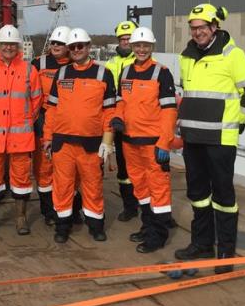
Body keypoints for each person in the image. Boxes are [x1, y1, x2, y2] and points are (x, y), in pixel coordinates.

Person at [174, 4, 245, 272]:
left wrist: (239, 122)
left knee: (223, 195)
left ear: (214, 27)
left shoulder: (232, 54)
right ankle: (201, 244)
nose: (197, 32)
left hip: (221, 139)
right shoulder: (186, 56)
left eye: (202, 27)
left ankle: (226, 251)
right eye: (193, 27)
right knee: (197, 194)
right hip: (193, 138)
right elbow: (189, 93)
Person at [43, 28, 116, 243]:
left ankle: (96, 226)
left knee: (92, 186)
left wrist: (107, 140)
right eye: (72, 47)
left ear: (88, 46)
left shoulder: (103, 74)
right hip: (62, 142)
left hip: (91, 144)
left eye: (80, 46)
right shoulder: (62, 73)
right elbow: (52, 110)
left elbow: (109, 112)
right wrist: (47, 138)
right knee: (63, 187)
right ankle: (62, 227)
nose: (76, 50)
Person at [111, 27, 177, 253]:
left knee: (158, 189)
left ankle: (158, 235)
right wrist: (118, 117)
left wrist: (164, 142)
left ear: (152, 47)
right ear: (131, 47)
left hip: (152, 143)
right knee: (140, 187)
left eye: (145, 46)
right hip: (130, 141)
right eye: (137, 46)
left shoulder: (162, 73)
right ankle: (147, 226)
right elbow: (121, 101)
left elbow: (169, 110)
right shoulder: (126, 71)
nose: (141, 49)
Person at [0, 24, 42, 235]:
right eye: (4, 44)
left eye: (12, 44)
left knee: (22, 178)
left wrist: (22, 120)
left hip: (21, 135)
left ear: (18, 47)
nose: (8, 48)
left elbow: (36, 101)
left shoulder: (29, 70)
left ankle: (21, 218)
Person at [31, 26, 72, 225]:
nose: (56, 46)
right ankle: (48, 211)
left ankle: (66, 208)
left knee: (66, 167)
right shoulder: (39, 63)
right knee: (44, 166)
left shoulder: (76, 64)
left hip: (67, 121)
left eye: (61, 43)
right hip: (43, 118)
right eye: (54, 43)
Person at [105, 20, 139, 222]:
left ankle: (156, 208)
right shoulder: (111, 64)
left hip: (142, 123)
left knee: (148, 168)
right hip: (119, 121)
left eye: (129, 38)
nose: (126, 42)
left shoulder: (144, 58)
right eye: (122, 39)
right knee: (124, 168)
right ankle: (130, 207)